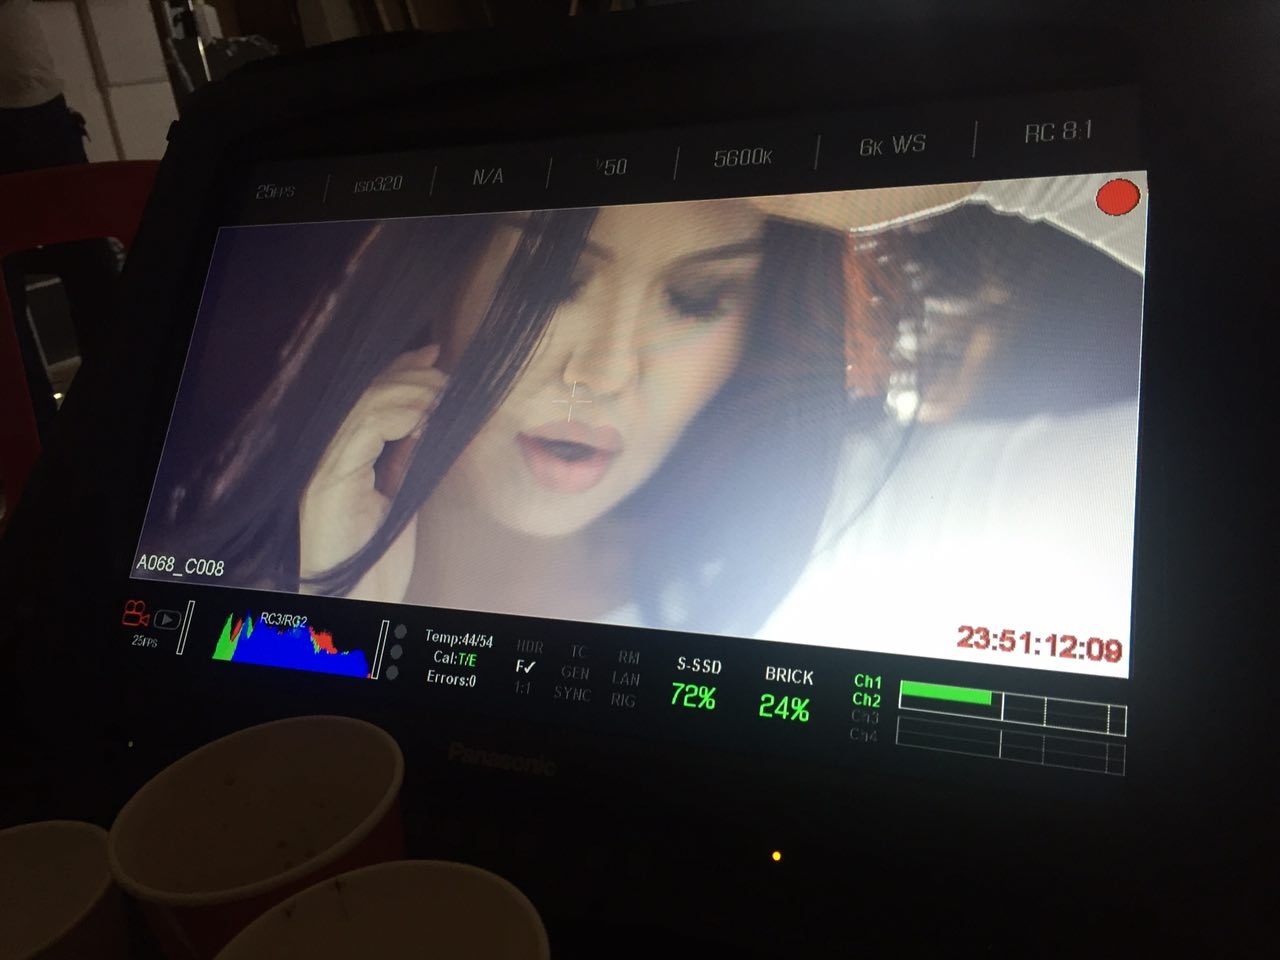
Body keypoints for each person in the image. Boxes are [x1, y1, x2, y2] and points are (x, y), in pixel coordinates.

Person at [141, 176, 1145, 648]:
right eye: (552, 281)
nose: (606, 373)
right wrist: (334, 631)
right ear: (439, 272)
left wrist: (1024, 169)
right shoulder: (231, 554)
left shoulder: (851, 522)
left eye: (697, 298)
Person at [0, 0, 120, 436]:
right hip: (37, 101)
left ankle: (122, 410)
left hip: (40, 103)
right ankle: (41, 443)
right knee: (7, 303)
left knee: (94, 270)